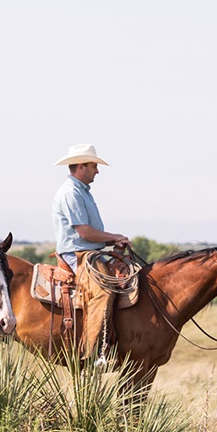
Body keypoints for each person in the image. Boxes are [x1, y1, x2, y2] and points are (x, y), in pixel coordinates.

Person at [51, 143, 131, 361]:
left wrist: (110, 241)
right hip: (78, 254)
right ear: (81, 167)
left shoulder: (82, 192)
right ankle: (92, 353)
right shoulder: (71, 193)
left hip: (89, 252)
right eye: (94, 166)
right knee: (103, 292)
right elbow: (84, 232)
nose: (97, 171)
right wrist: (114, 237)